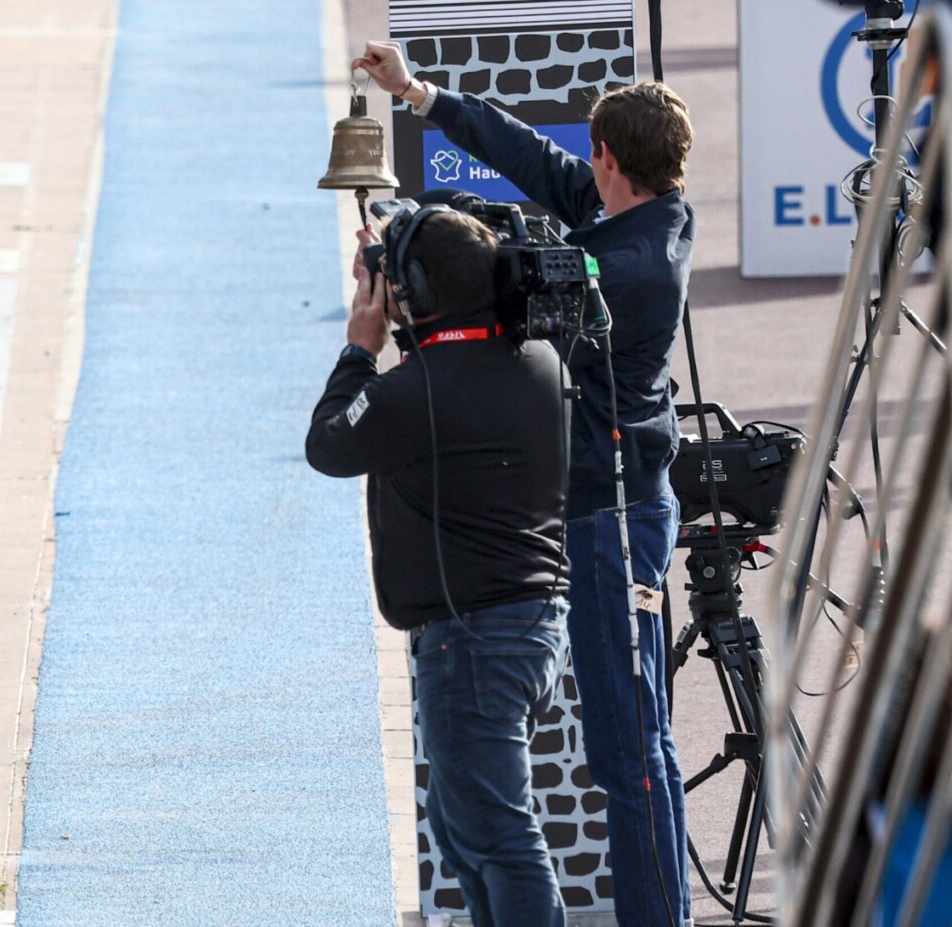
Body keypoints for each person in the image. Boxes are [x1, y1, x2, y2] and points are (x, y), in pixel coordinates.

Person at [355, 41, 697, 926]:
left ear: (610, 160)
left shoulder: (632, 265)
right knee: (626, 746)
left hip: (611, 520)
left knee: (630, 749)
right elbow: (525, 154)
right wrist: (417, 94)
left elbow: (507, 294)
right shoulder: (630, 213)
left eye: (589, 155)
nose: (578, 168)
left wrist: (424, 244)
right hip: (586, 512)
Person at [307, 206, 571, 926]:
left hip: (473, 643)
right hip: (525, 628)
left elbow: (329, 445)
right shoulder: (540, 360)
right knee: (466, 832)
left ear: (414, 293)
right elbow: (447, 361)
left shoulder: (410, 392)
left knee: (498, 837)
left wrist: (361, 348)